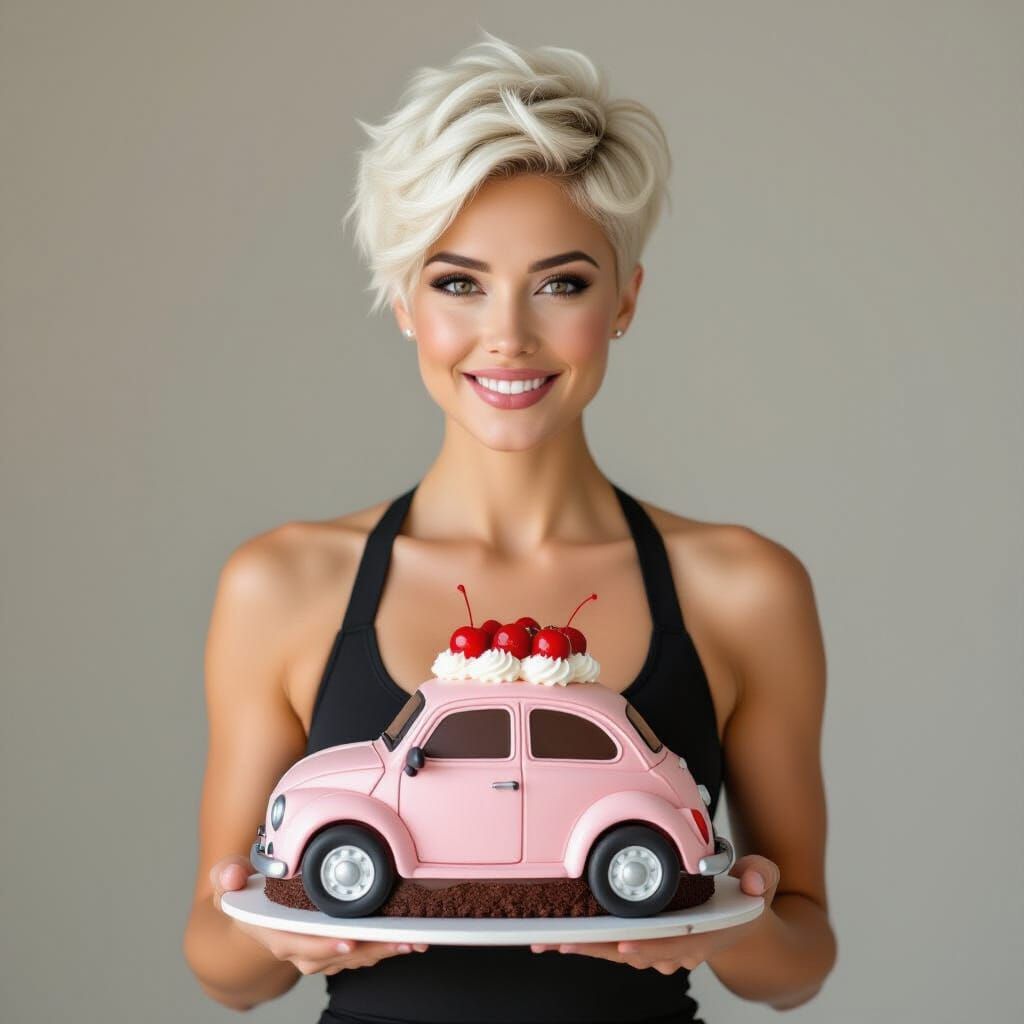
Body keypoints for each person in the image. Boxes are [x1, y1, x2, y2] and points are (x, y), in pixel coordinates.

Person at [183, 29, 836, 1023]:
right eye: (459, 282)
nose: (508, 336)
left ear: (624, 300)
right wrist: (274, 933)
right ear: (404, 302)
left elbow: (799, 958)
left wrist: (728, 926)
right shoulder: (284, 584)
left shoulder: (742, 587)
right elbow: (224, 966)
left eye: (561, 283)